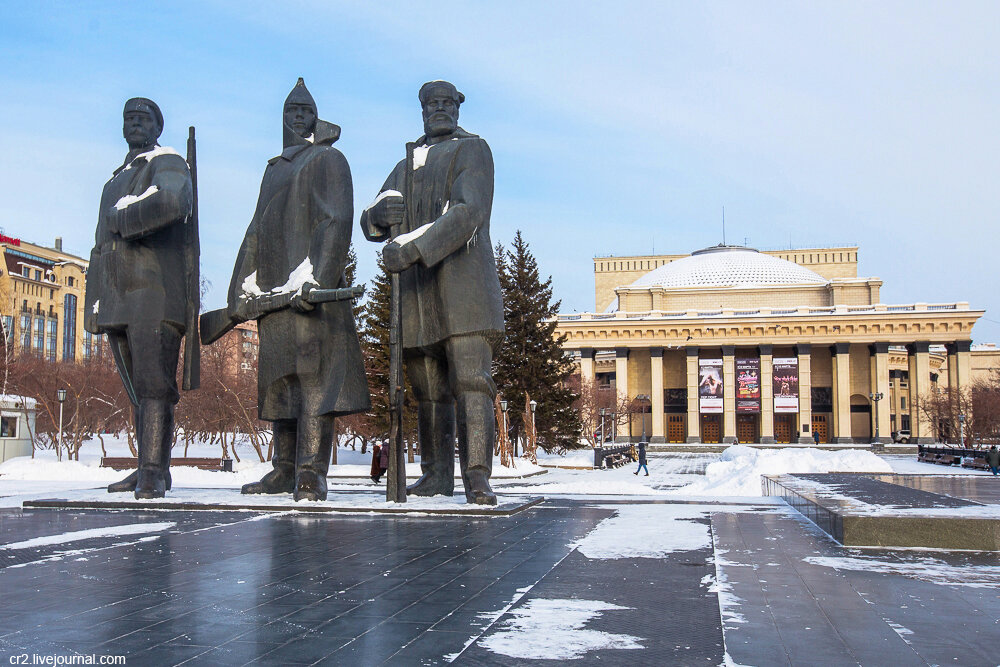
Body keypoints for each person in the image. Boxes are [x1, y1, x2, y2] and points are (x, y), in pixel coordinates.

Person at [361, 80, 504, 505]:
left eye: (446, 103)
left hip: (463, 289)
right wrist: (375, 216)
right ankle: (437, 474)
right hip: (418, 297)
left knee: (471, 380)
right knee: (427, 389)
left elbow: (469, 211)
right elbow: (373, 218)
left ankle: (477, 475)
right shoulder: (408, 162)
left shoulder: (472, 150)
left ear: (457, 109)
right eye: (431, 104)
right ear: (422, 111)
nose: (439, 109)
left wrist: (414, 248)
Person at [228, 79, 370, 502]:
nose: (298, 116)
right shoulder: (273, 169)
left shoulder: (329, 159)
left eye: (305, 110)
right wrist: (242, 285)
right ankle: (284, 468)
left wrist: (318, 279)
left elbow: (336, 221)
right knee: (279, 383)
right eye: (291, 110)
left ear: (315, 117)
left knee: (313, 383)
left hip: (307, 292)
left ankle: (310, 471)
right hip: (273, 294)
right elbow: (256, 229)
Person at [84, 97, 198, 499]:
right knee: (137, 389)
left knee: (154, 385)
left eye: (143, 118)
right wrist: (94, 305)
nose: (134, 123)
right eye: (128, 117)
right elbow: (99, 247)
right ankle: (149, 466)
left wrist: (123, 218)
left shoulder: (166, 162)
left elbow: (172, 201)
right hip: (118, 298)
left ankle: (153, 469)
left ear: (156, 127)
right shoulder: (115, 178)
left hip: (154, 294)